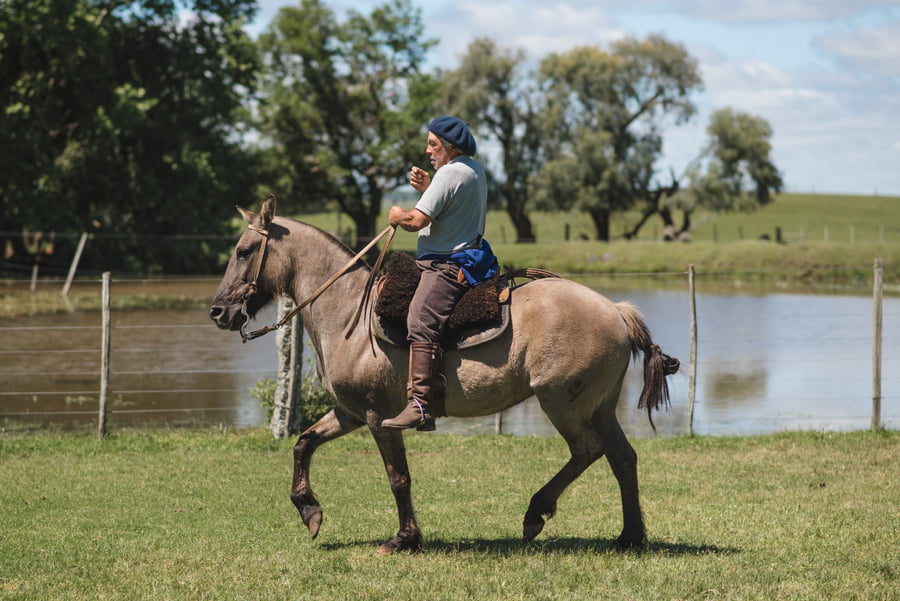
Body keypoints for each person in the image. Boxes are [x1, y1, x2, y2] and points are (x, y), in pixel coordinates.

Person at [381, 116, 497, 431]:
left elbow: (416, 222)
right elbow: (453, 210)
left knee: (420, 319)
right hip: (464, 257)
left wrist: (397, 214)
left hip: (445, 266)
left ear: (450, 147)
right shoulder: (475, 170)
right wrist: (429, 188)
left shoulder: (448, 174)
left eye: (433, 144)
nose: (428, 150)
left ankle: (419, 404)